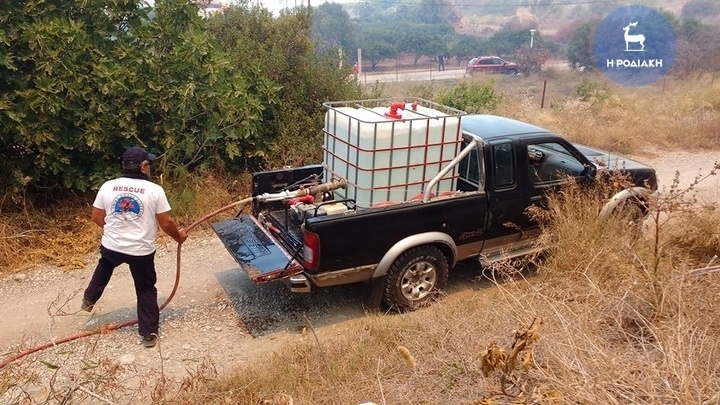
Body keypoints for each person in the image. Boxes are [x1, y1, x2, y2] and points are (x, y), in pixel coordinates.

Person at [82, 146, 188, 348]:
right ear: (143, 167)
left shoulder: (108, 186)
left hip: (111, 245)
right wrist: (179, 237)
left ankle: (89, 299)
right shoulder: (154, 190)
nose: (150, 168)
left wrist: (115, 230)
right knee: (145, 289)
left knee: (104, 268)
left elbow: (96, 217)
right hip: (140, 252)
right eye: (149, 164)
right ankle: (148, 335)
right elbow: (166, 223)